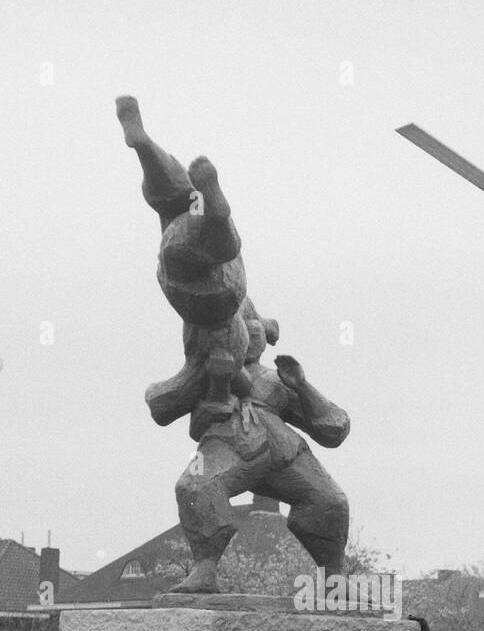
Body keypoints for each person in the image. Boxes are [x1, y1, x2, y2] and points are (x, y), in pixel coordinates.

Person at [116, 95, 351, 592]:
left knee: (330, 502)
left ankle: (333, 580)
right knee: (195, 486)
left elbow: (335, 429)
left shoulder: (275, 383)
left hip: (284, 454)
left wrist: (303, 387)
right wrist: (210, 377)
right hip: (226, 445)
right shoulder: (204, 356)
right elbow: (163, 406)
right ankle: (205, 570)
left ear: (261, 337)